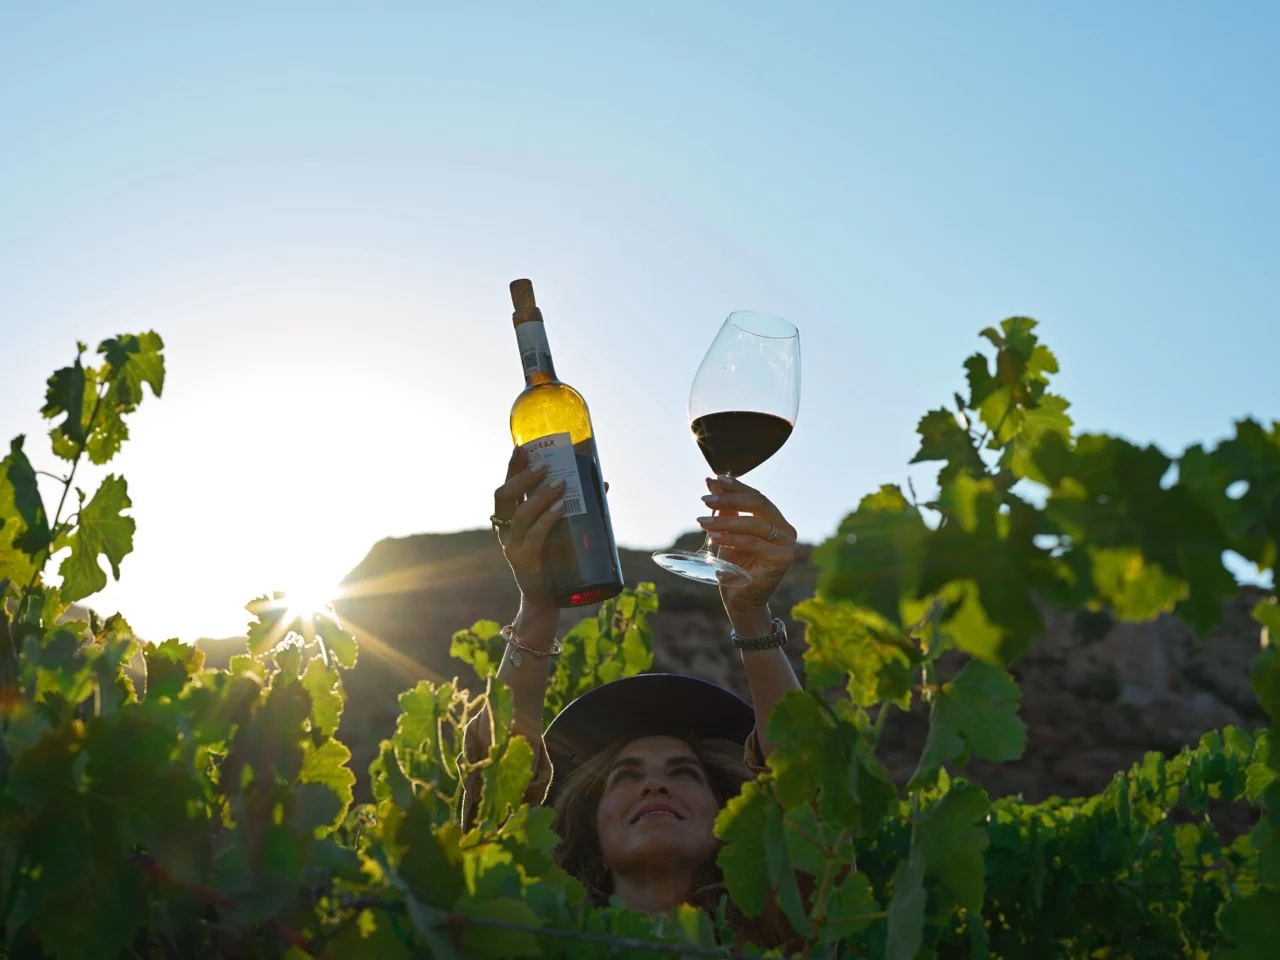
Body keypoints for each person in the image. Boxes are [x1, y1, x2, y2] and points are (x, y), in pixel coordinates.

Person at [461, 447, 805, 950]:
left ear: (729, 826)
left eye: (683, 773)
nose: (654, 786)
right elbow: (494, 786)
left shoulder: (784, 934)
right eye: (626, 776)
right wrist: (538, 605)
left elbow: (803, 784)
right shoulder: (535, 938)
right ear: (595, 841)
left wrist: (752, 616)